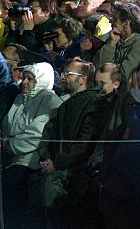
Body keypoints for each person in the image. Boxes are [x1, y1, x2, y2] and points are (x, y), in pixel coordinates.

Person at [38, 58, 112, 227]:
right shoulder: (69, 104)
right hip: (61, 173)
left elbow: (85, 142)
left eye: (68, 74)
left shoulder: (94, 103)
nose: (63, 77)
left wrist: (57, 163)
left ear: (83, 79)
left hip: (77, 178)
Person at [1, 62, 62, 227]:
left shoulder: (49, 99)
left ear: (40, 80)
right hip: (11, 155)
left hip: (31, 159)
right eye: (24, 78)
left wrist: (11, 146)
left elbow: (38, 133)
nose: (24, 82)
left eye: (30, 78)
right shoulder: (20, 98)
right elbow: (8, 125)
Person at [97, 2, 140, 88]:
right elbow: (99, 65)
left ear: (126, 23)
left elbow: (125, 73)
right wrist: (111, 44)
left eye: (115, 19)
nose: (111, 21)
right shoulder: (115, 39)